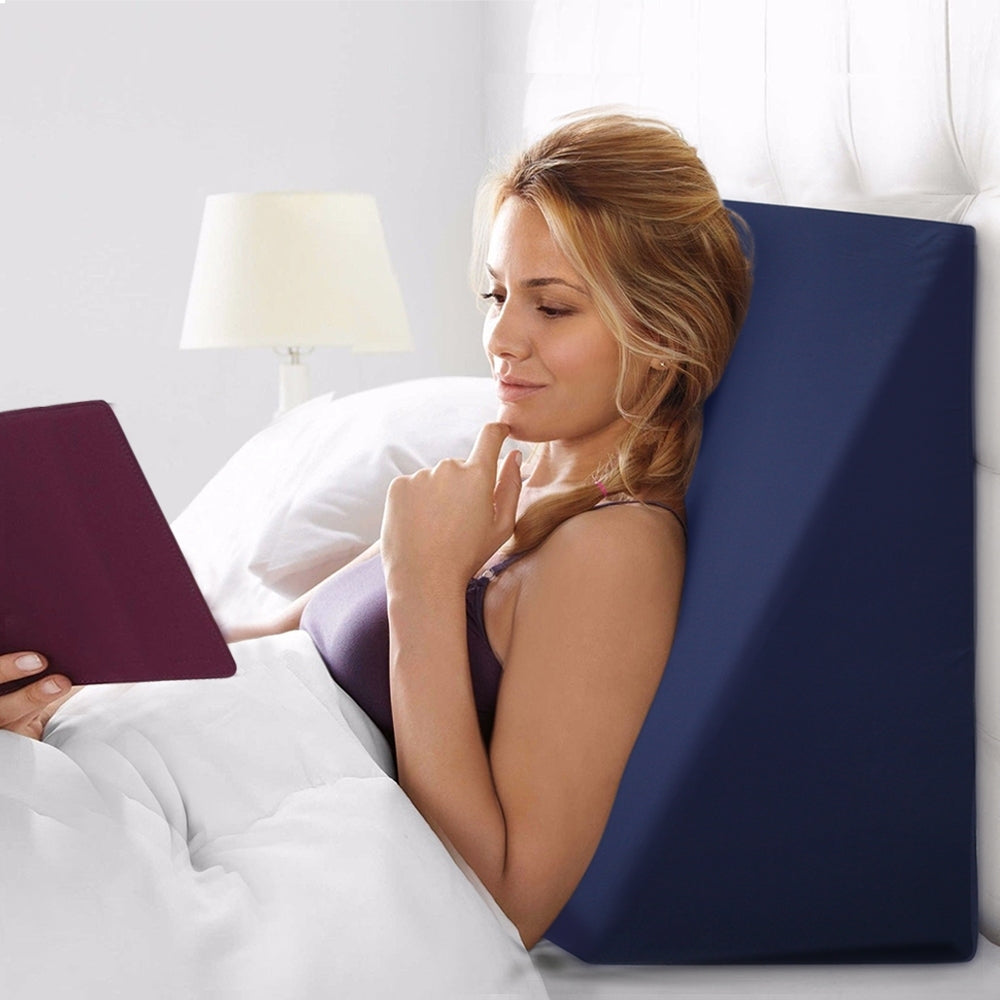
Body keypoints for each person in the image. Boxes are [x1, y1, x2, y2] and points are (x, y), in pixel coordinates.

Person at [1, 110, 752, 950]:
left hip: (237, 818)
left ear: (662, 333)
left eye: (553, 307)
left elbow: (508, 903)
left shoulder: (615, 546)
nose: (502, 339)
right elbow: (266, 640)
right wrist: (64, 656)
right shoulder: (495, 482)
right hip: (154, 751)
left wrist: (424, 582)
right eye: (497, 295)